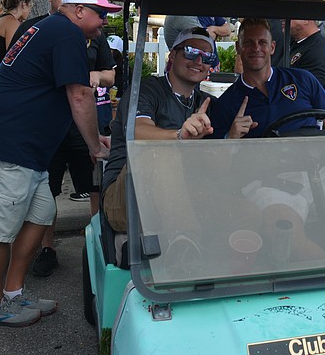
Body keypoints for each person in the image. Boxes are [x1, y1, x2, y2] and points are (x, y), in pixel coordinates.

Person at [0, 0, 117, 328]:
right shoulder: (67, 34)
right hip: (5, 146)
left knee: (42, 211)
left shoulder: (46, 26)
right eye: (101, 13)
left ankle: (13, 294)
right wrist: (95, 146)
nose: (105, 21)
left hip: (23, 149)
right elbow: (79, 95)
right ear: (79, 10)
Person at [210, 18, 325, 257]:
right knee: (297, 243)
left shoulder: (301, 80)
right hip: (269, 182)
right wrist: (232, 136)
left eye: (262, 42)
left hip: (321, 168)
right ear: (239, 48)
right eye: (248, 43)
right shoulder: (228, 103)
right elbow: (218, 166)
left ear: (272, 47)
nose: (256, 48)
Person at [102, 28, 242, 234]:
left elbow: (217, 167)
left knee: (249, 210)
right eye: (191, 52)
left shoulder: (207, 103)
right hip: (131, 196)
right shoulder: (145, 91)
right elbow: (139, 130)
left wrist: (231, 138)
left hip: (189, 192)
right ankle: (186, 247)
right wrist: (179, 136)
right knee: (160, 152)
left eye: (208, 57)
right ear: (173, 55)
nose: (199, 61)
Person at [288, 18, 325, 95]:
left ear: (306, 19)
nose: (283, 20)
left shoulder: (319, 51)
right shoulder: (300, 43)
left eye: (291, 14)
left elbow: (307, 93)